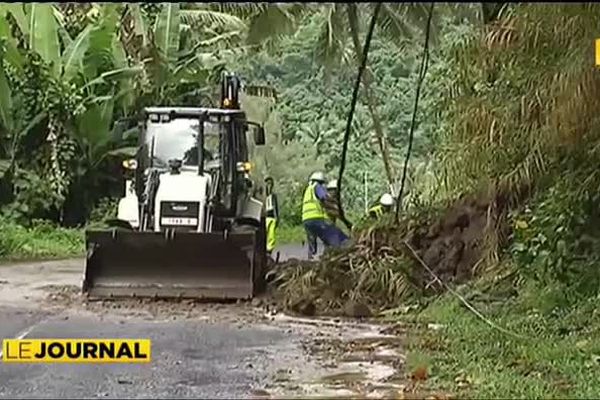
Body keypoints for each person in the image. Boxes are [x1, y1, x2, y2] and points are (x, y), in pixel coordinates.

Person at [301, 171, 349, 259]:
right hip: (316, 218)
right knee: (334, 237)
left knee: (312, 243)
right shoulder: (317, 186)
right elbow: (324, 198)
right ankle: (337, 254)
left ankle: (311, 259)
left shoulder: (308, 190)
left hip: (306, 220)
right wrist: (334, 203)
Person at [264, 176, 279, 256]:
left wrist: (277, 218)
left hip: (272, 216)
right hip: (264, 216)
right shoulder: (262, 195)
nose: (269, 185)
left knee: (271, 235)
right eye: (267, 183)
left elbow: (276, 207)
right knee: (264, 234)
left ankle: (269, 250)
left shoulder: (274, 196)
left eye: (270, 184)